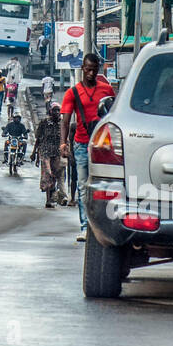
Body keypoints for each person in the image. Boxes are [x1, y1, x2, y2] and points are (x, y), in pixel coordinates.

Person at [60, 53, 116, 237]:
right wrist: (63, 143)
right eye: (88, 69)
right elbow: (66, 120)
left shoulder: (107, 90)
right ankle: (86, 227)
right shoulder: (73, 92)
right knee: (83, 187)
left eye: (94, 70)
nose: (91, 73)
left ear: (98, 69)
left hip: (103, 146)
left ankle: (105, 226)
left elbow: (115, 114)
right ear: (82, 69)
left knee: (106, 187)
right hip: (82, 145)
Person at [34, 103, 65, 208]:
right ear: (50, 111)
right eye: (55, 110)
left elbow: (66, 139)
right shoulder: (44, 123)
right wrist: (35, 153)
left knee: (56, 175)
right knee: (48, 174)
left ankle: (53, 197)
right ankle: (48, 199)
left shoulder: (62, 124)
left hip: (57, 153)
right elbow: (38, 138)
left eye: (58, 110)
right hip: (45, 152)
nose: (57, 113)